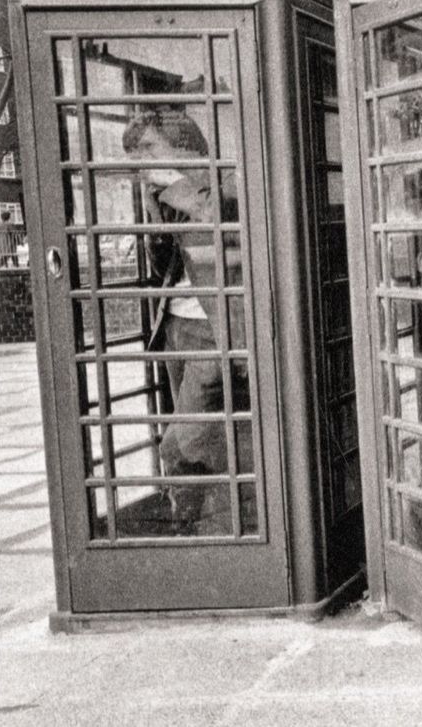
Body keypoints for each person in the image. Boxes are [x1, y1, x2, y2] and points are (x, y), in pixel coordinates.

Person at [122, 109, 244, 533]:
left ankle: (187, 529)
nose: (141, 162)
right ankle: (213, 524)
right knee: (200, 439)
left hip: (215, 330)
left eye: (149, 149)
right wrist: (154, 224)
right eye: (136, 154)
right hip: (176, 326)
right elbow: (164, 266)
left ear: (184, 146)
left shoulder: (222, 181)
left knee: (180, 444)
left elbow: (214, 213)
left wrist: (168, 184)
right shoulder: (163, 197)